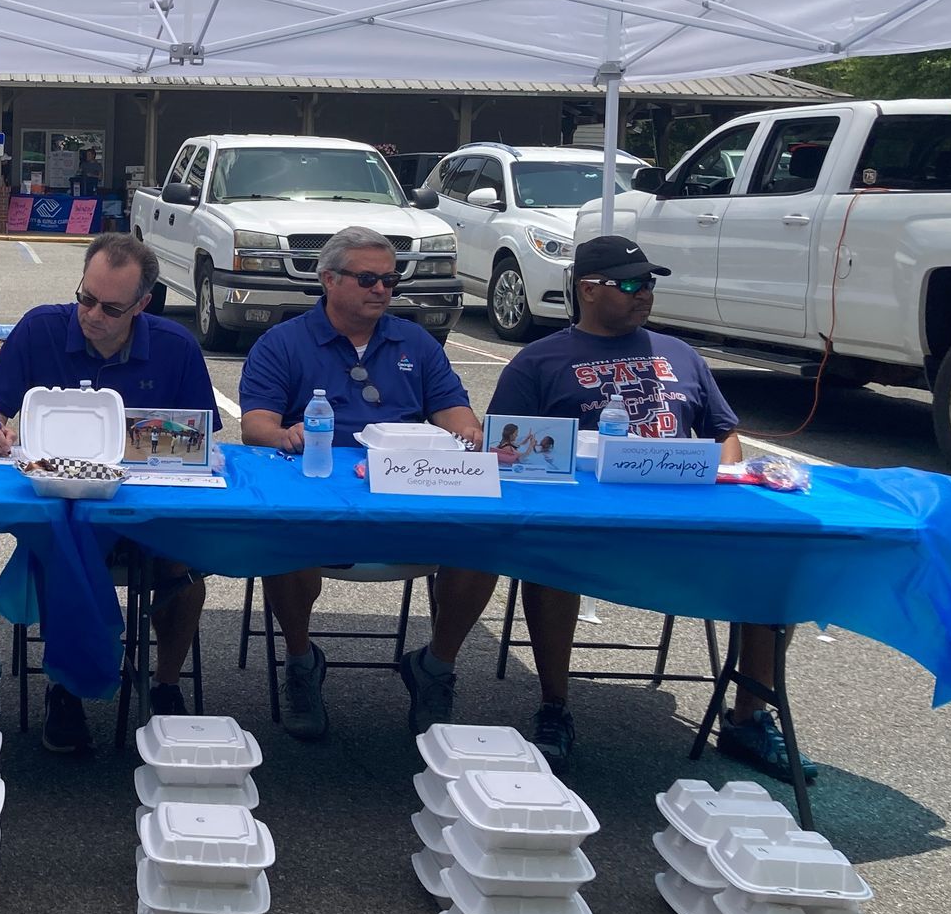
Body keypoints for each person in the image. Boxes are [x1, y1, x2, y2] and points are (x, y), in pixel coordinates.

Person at [405, 233, 814, 782]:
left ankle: (746, 718)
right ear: (588, 290)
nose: (643, 293)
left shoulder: (680, 355)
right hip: (581, 524)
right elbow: (505, 449)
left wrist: (726, 480)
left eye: (648, 283)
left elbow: (725, 435)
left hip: (687, 521)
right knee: (548, 564)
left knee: (778, 564)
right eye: (629, 284)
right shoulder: (540, 362)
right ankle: (554, 707)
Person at [0, 232, 220, 753]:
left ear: (142, 305)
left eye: (110, 307)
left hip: (146, 511)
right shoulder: (42, 327)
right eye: (85, 297)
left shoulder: (175, 348)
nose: (91, 314)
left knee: (184, 567)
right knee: (59, 547)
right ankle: (64, 688)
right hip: (59, 511)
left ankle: (166, 686)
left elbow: (201, 437)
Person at [239, 227, 484, 742]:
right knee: (284, 544)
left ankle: (435, 667)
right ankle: (303, 662)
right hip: (319, 494)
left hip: (407, 491)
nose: (381, 290)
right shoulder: (282, 343)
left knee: (482, 545)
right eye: (368, 278)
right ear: (328, 279)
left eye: (390, 281)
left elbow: (456, 412)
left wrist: (466, 434)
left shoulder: (415, 342)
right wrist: (288, 433)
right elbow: (254, 425)